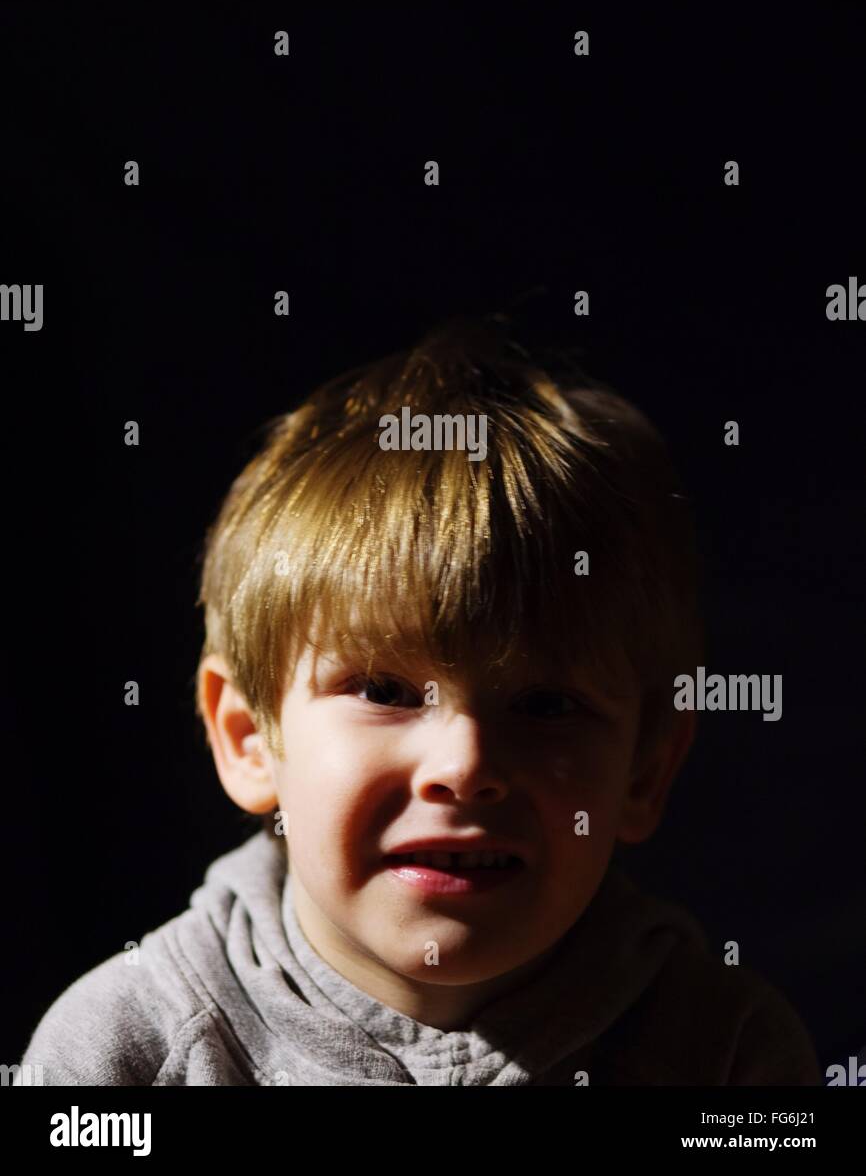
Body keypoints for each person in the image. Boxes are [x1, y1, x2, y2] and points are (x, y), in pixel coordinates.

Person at [17, 316, 821, 1085]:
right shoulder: (126, 1052)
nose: (466, 767)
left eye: (545, 705)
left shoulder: (727, 1053)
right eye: (385, 691)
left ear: (645, 769)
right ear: (247, 737)